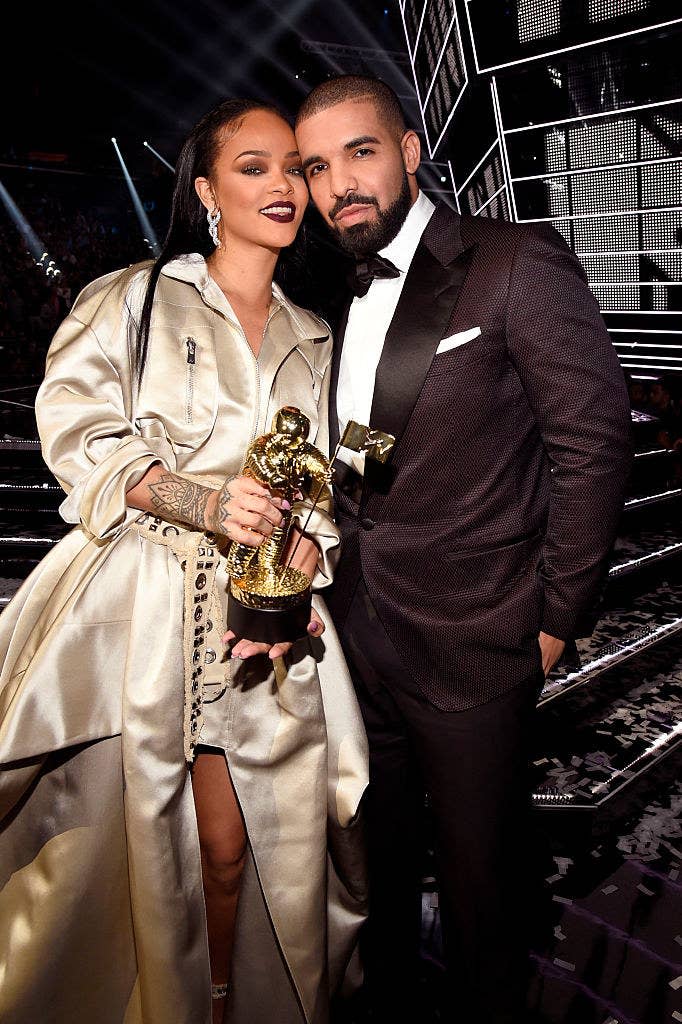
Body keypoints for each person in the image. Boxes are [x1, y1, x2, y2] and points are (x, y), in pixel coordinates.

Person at [0, 98, 368, 1024]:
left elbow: (321, 487)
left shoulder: (317, 334)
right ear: (205, 189)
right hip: (137, 609)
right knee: (130, 842)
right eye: (254, 167)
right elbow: (78, 428)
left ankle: (216, 1002)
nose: (283, 185)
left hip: (260, 612)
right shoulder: (133, 298)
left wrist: (300, 564)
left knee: (243, 851)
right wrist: (202, 502)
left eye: (295, 167)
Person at [295, 75, 633, 1024]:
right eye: (318, 167)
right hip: (361, 640)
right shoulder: (335, 291)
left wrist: (557, 621)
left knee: (488, 895)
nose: (338, 186)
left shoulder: (514, 261)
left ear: (407, 150)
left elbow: (593, 443)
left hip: (480, 638)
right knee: (386, 871)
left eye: (359, 153)